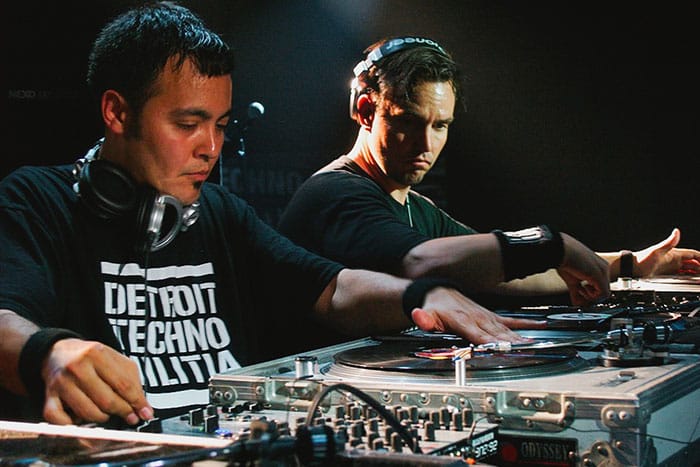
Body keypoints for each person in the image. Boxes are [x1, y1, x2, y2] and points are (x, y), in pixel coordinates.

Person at [0, 6, 544, 427]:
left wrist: (423, 296)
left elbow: (333, 288)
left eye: (220, 125)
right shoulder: (37, 201)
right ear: (117, 112)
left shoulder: (219, 213)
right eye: (188, 124)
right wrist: (50, 352)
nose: (210, 147)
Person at [278, 36, 700, 305]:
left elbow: (497, 273)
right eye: (409, 122)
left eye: (440, 126)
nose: (426, 144)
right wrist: (550, 243)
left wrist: (629, 264)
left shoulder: (415, 208)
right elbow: (419, 261)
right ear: (366, 111)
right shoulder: (335, 194)